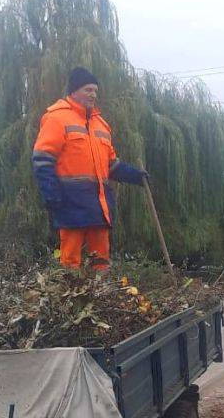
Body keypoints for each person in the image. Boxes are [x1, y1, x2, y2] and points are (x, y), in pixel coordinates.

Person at [31, 67, 148, 270]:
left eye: (95, 90)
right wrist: (51, 194)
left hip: (98, 203)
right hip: (69, 201)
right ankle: (69, 300)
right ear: (74, 91)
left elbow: (111, 165)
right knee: (70, 261)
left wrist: (136, 176)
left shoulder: (101, 125)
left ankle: (101, 298)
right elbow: (42, 160)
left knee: (101, 260)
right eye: (88, 90)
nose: (93, 94)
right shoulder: (57, 118)